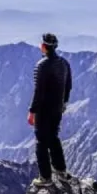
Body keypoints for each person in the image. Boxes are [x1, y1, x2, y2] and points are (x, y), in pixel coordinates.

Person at [27, 33, 72, 185]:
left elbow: (38, 91)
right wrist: (64, 103)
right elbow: (68, 85)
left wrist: (32, 111)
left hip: (44, 110)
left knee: (41, 142)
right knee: (54, 138)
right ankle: (61, 170)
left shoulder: (42, 65)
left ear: (44, 46)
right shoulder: (64, 63)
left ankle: (45, 177)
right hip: (58, 109)